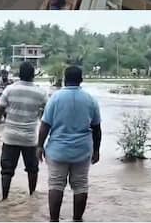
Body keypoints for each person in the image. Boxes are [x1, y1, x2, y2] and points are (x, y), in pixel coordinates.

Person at [38, 65, 101, 222]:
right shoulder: (90, 100)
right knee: (81, 185)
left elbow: (45, 125)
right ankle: (77, 219)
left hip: (57, 151)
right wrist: (96, 150)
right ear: (81, 79)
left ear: (65, 79)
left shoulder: (55, 98)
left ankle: (54, 220)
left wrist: (39, 146)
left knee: (56, 185)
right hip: (82, 151)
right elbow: (97, 128)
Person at [0, 62, 47, 201]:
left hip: (10, 137)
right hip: (30, 138)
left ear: (19, 74)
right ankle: (32, 196)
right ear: (33, 75)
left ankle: (4, 198)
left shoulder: (9, 89)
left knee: (7, 170)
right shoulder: (40, 93)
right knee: (32, 169)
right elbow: (47, 116)